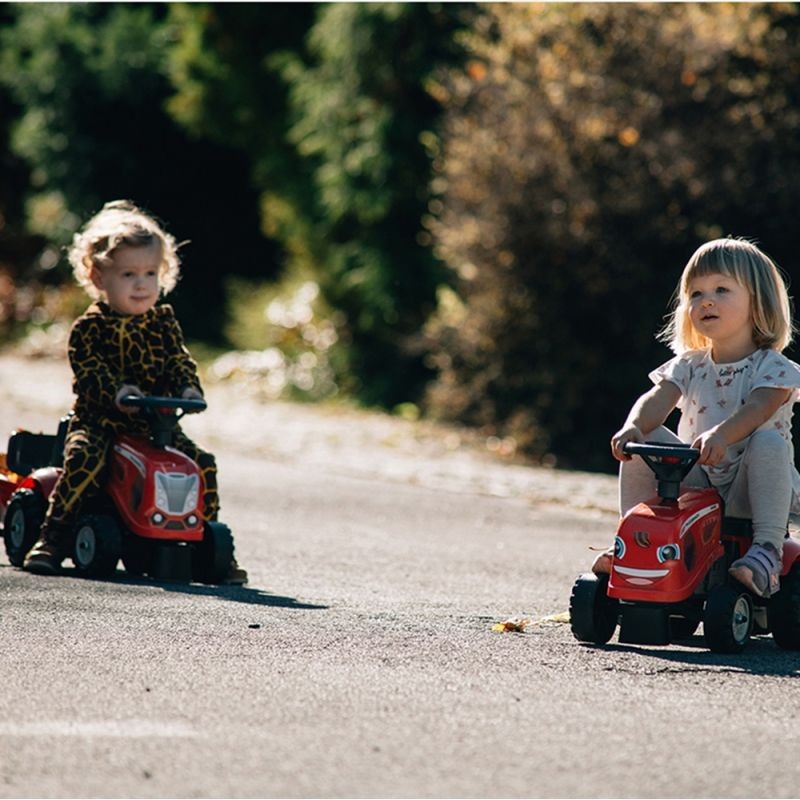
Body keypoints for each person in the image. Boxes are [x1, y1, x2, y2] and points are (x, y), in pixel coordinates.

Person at [23, 200, 248, 584]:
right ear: (99, 277)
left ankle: (206, 543)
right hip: (101, 422)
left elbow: (178, 360)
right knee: (83, 459)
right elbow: (89, 372)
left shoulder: (163, 324)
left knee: (201, 463)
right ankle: (54, 534)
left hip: (154, 427)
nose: (141, 284)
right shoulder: (90, 328)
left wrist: (188, 387)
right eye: (128, 274)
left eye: (149, 273)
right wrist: (116, 391)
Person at [594, 237, 800, 598]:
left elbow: (759, 409)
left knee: (768, 440)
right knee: (647, 439)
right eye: (695, 293)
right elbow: (658, 397)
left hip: (749, 487)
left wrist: (721, 435)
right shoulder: (690, 364)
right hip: (698, 477)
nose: (706, 300)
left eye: (722, 289)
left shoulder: (774, 368)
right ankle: (637, 537)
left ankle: (766, 550)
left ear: (759, 302)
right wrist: (634, 426)